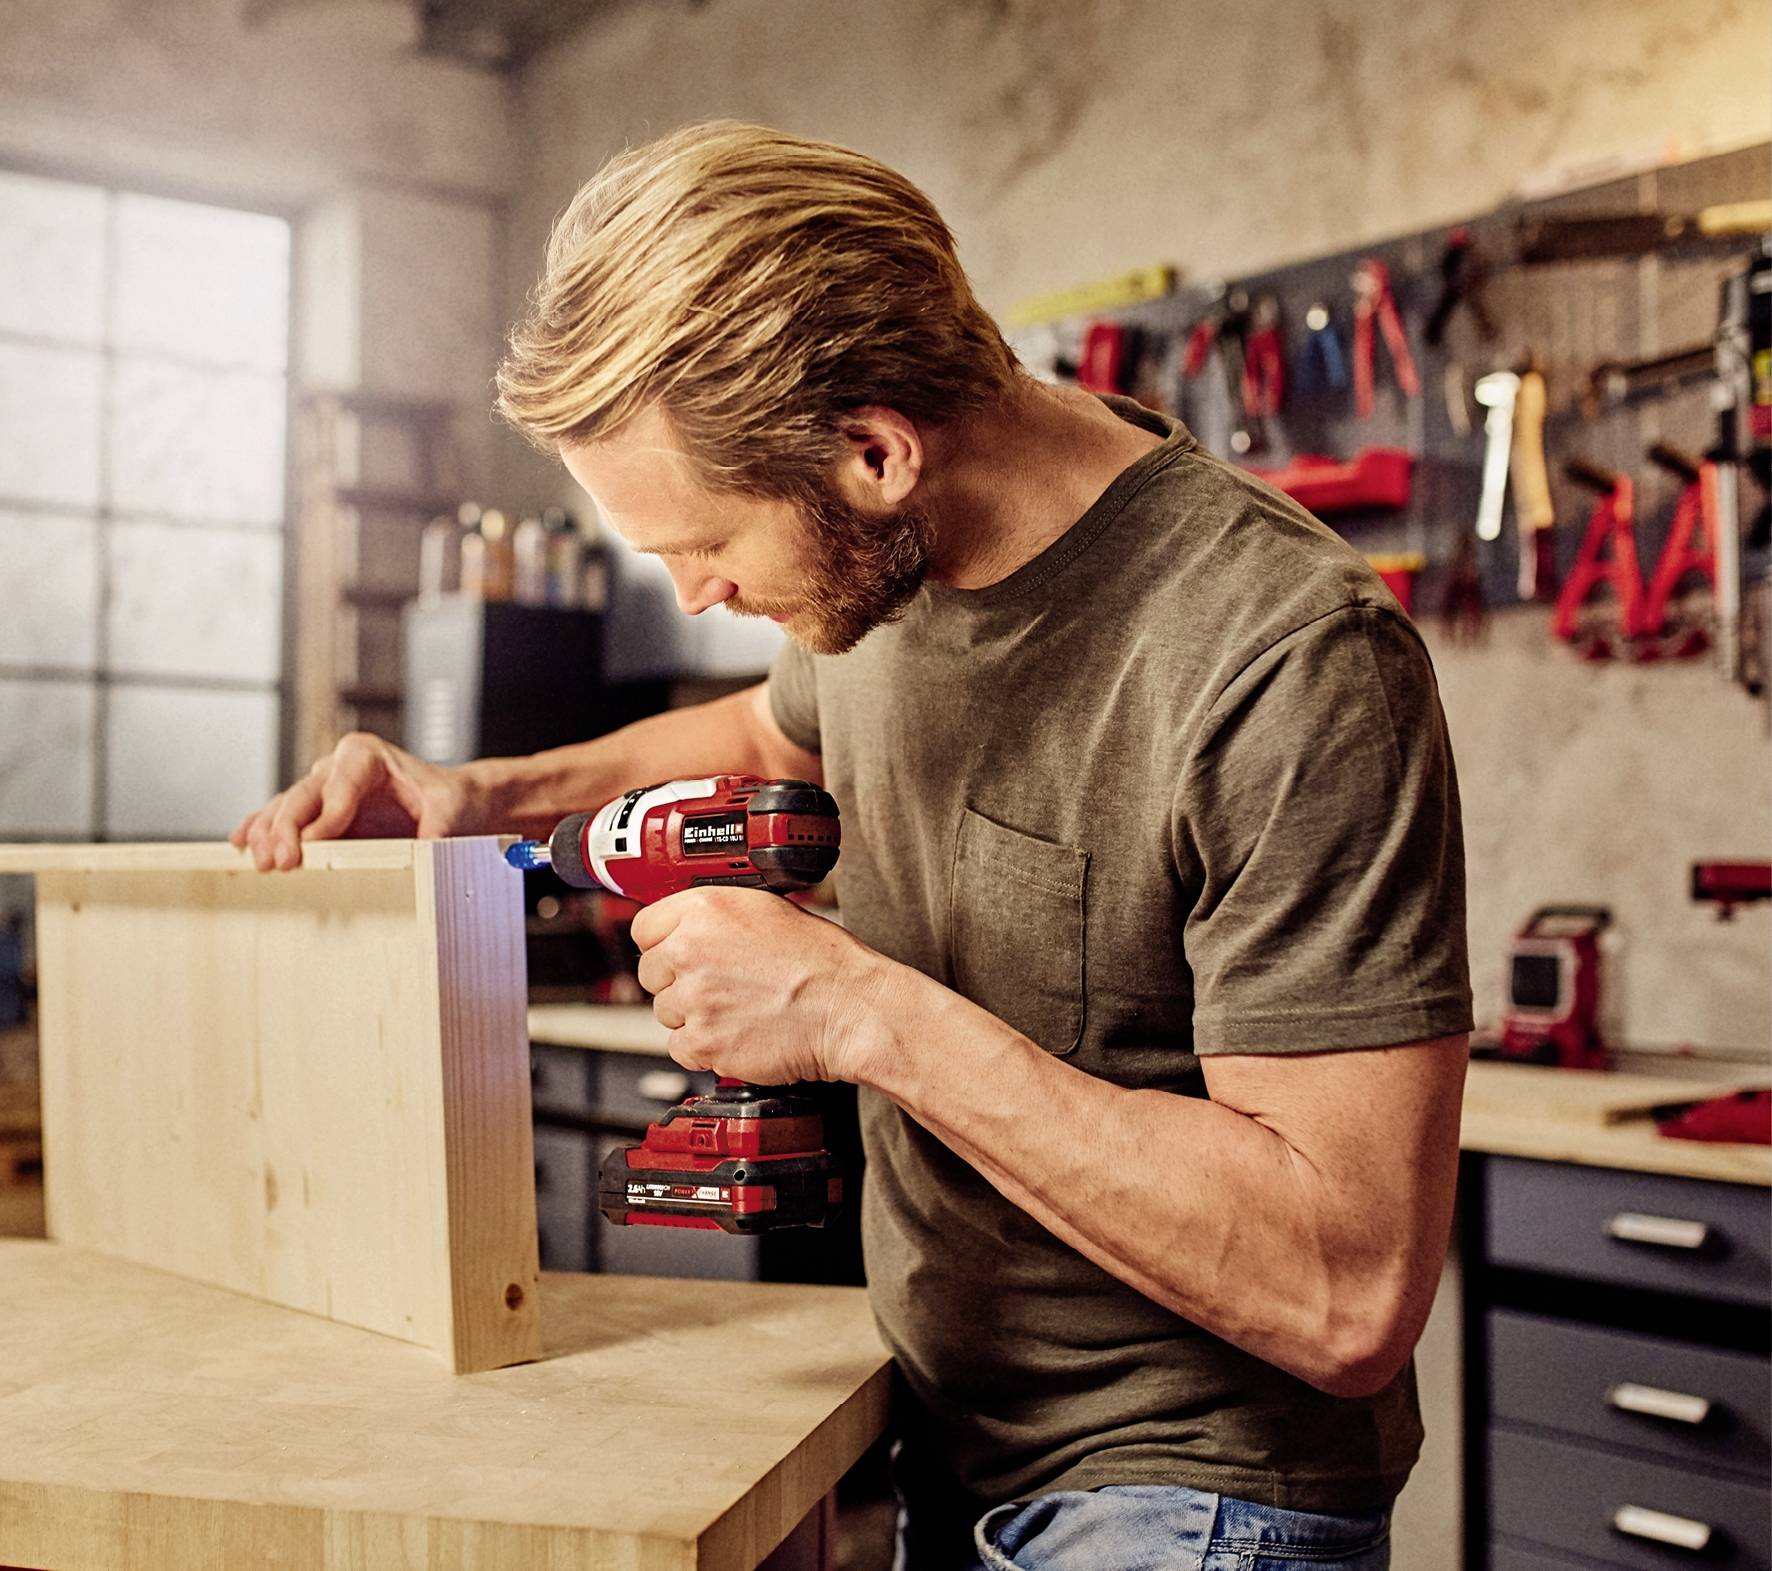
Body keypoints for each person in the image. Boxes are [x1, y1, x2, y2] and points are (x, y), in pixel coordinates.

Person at [233, 122, 1472, 1570]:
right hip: (948, 1434)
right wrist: (480, 794)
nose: (694, 596)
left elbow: (1346, 1287)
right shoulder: (891, 565)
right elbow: (773, 737)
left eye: (704, 546)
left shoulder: (1285, 660)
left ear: (874, 449)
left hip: (1190, 1501)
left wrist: (847, 1005)